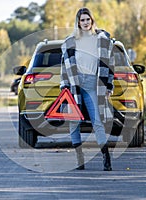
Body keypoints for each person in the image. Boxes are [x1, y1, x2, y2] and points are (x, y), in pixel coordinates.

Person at [60, 7, 115, 171]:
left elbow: (109, 65)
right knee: (74, 122)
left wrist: (109, 85)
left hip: (93, 84)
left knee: (97, 121)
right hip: (75, 85)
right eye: (82, 20)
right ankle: (79, 159)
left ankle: (106, 158)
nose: (85, 22)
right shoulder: (70, 41)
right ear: (78, 22)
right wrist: (64, 87)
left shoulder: (102, 39)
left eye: (87, 19)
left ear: (92, 20)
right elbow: (65, 67)